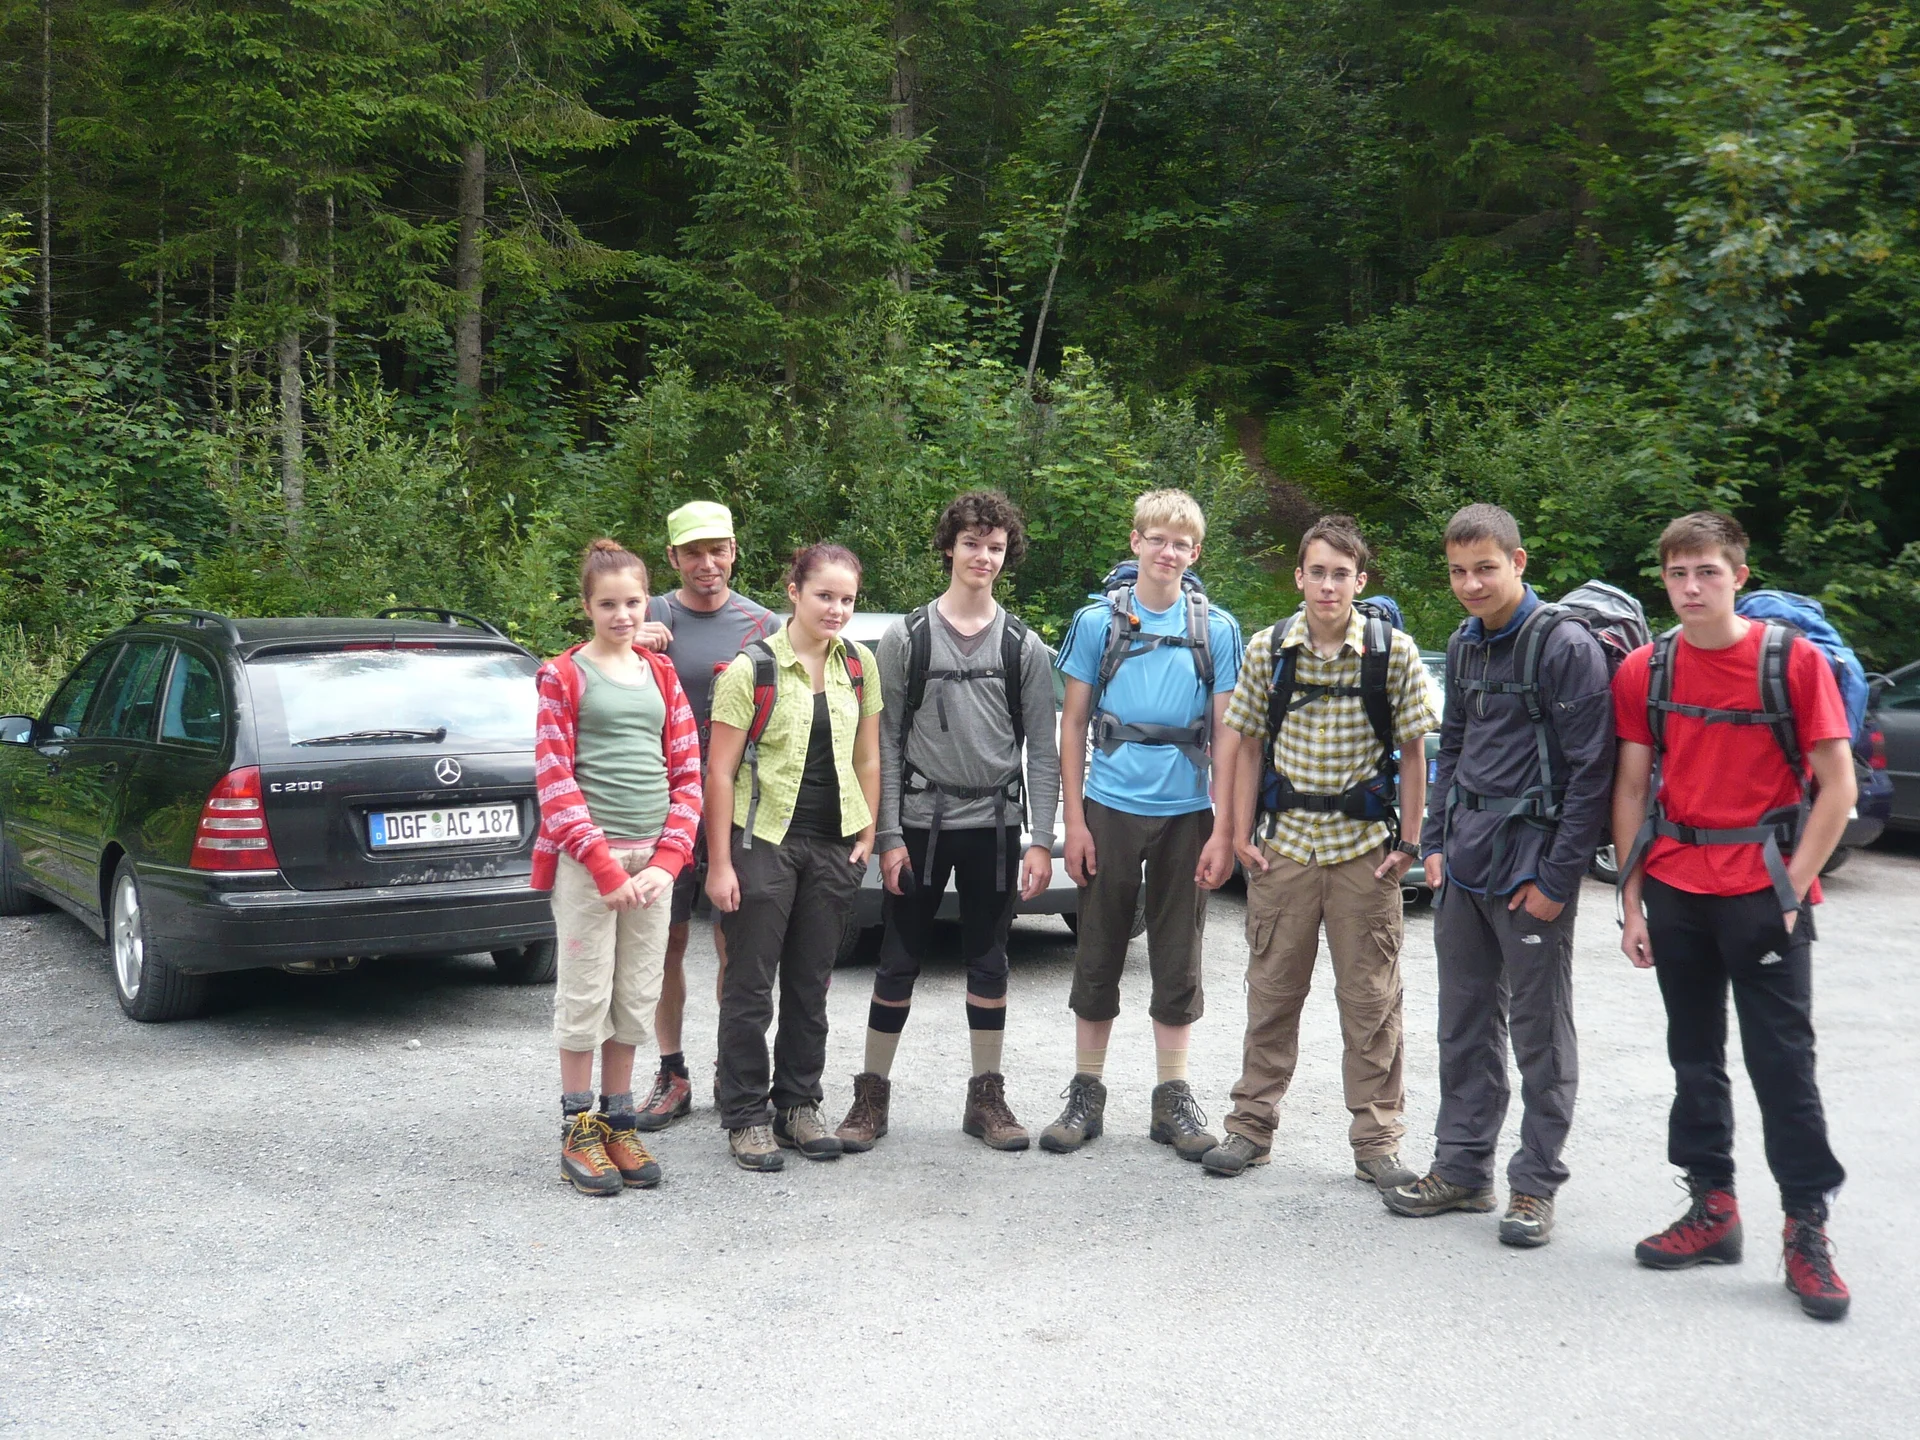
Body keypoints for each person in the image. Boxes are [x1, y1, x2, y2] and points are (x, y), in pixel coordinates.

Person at [1612, 511, 1853, 1320]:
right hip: (1678, 887)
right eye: (1677, 574)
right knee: (1694, 1057)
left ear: (1737, 576)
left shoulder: (1794, 663)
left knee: (1783, 1064)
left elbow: (1838, 788)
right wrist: (1632, 897)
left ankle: (1807, 1229)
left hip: (1763, 894)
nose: (1690, 587)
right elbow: (1634, 788)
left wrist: (1791, 889)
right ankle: (1713, 1208)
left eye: (1707, 572)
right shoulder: (1647, 669)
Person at [1384, 503, 1614, 1247]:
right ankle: (1462, 1170)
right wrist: (1437, 844)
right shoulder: (1463, 642)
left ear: (1519, 562)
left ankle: (1535, 1187)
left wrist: (1557, 879)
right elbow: (1453, 747)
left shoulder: (1564, 647)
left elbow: (1592, 775)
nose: (1471, 584)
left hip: (1531, 870)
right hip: (1467, 867)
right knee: (1465, 1025)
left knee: (1541, 1035)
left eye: (1485, 567)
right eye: (1458, 571)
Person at [1196, 516, 1437, 1188]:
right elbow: (1241, 744)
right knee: (1272, 996)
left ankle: (1376, 1142)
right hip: (1286, 850)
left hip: (1364, 852)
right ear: (1299, 576)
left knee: (1371, 1003)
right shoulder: (1268, 649)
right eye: (1317, 571)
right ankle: (1250, 1128)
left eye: (1341, 573)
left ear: (1360, 581)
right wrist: (1238, 833)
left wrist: (1410, 842)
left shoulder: (1395, 652)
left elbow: (1415, 752)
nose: (1328, 585)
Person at [836, 491, 1062, 1153]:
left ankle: (986, 1097)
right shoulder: (909, 638)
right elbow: (883, 742)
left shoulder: (1024, 645)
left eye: (995, 547)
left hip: (994, 824)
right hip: (921, 822)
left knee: (989, 962)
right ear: (949, 547)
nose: (983, 557)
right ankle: (870, 1096)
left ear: (1006, 554)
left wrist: (1040, 840)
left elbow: (1042, 750)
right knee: (898, 960)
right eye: (972, 543)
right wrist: (889, 834)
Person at [1041, 489, 1243, 1160]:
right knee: (1097, 945)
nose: (1167, 552)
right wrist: (1075, 821)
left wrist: (1223, 830)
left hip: (1188, 812)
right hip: (1111, 806)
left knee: (1178, 955)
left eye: (1180, 543)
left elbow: (1227, 733)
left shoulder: (1217, 629)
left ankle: (1172, 1099)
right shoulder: (1096, 624)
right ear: (1135, 543)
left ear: (1195, 552)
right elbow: (1071, 725)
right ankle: (1086, 1094)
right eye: (1156, 539)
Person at [531, 539, 703, 1196]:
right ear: (587, 607)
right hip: (587, 863)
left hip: (653, 865)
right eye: (609, 604)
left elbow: (687, 772)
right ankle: (578, 1129)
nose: (623, 614)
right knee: (585, 994)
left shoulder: (661, 677)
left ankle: (618, 1118)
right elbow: (553, 779)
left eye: (633, 602)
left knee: (635, 994)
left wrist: (667, 860)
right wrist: (605, 868)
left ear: (646, 602)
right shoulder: (562, 676)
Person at [705, 543, 883, 1172]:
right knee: (751, 987)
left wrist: (867, 830)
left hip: (835, 846)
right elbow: (719, 772)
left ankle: (799, 1104)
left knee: (812, 985)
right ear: (794, 592)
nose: (836, 609)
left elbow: (867, 755)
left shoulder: (859, 665)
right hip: (763, 843)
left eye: (847, 599)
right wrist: (721, 863)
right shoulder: (750, 670)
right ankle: (747, 1115)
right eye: (825, 596)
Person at [633, 500, 778, 1130]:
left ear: (735, 550)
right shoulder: (648, 614)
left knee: (734, 945)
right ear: (672, 558)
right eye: (693, 552)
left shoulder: (763, 624)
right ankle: (672, 1070)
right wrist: (626, 639)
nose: (707, 563)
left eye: (718, 549)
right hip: (662, 807)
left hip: (736, 809)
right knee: (664, 944)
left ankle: (731, 1069)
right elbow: (583, 671)